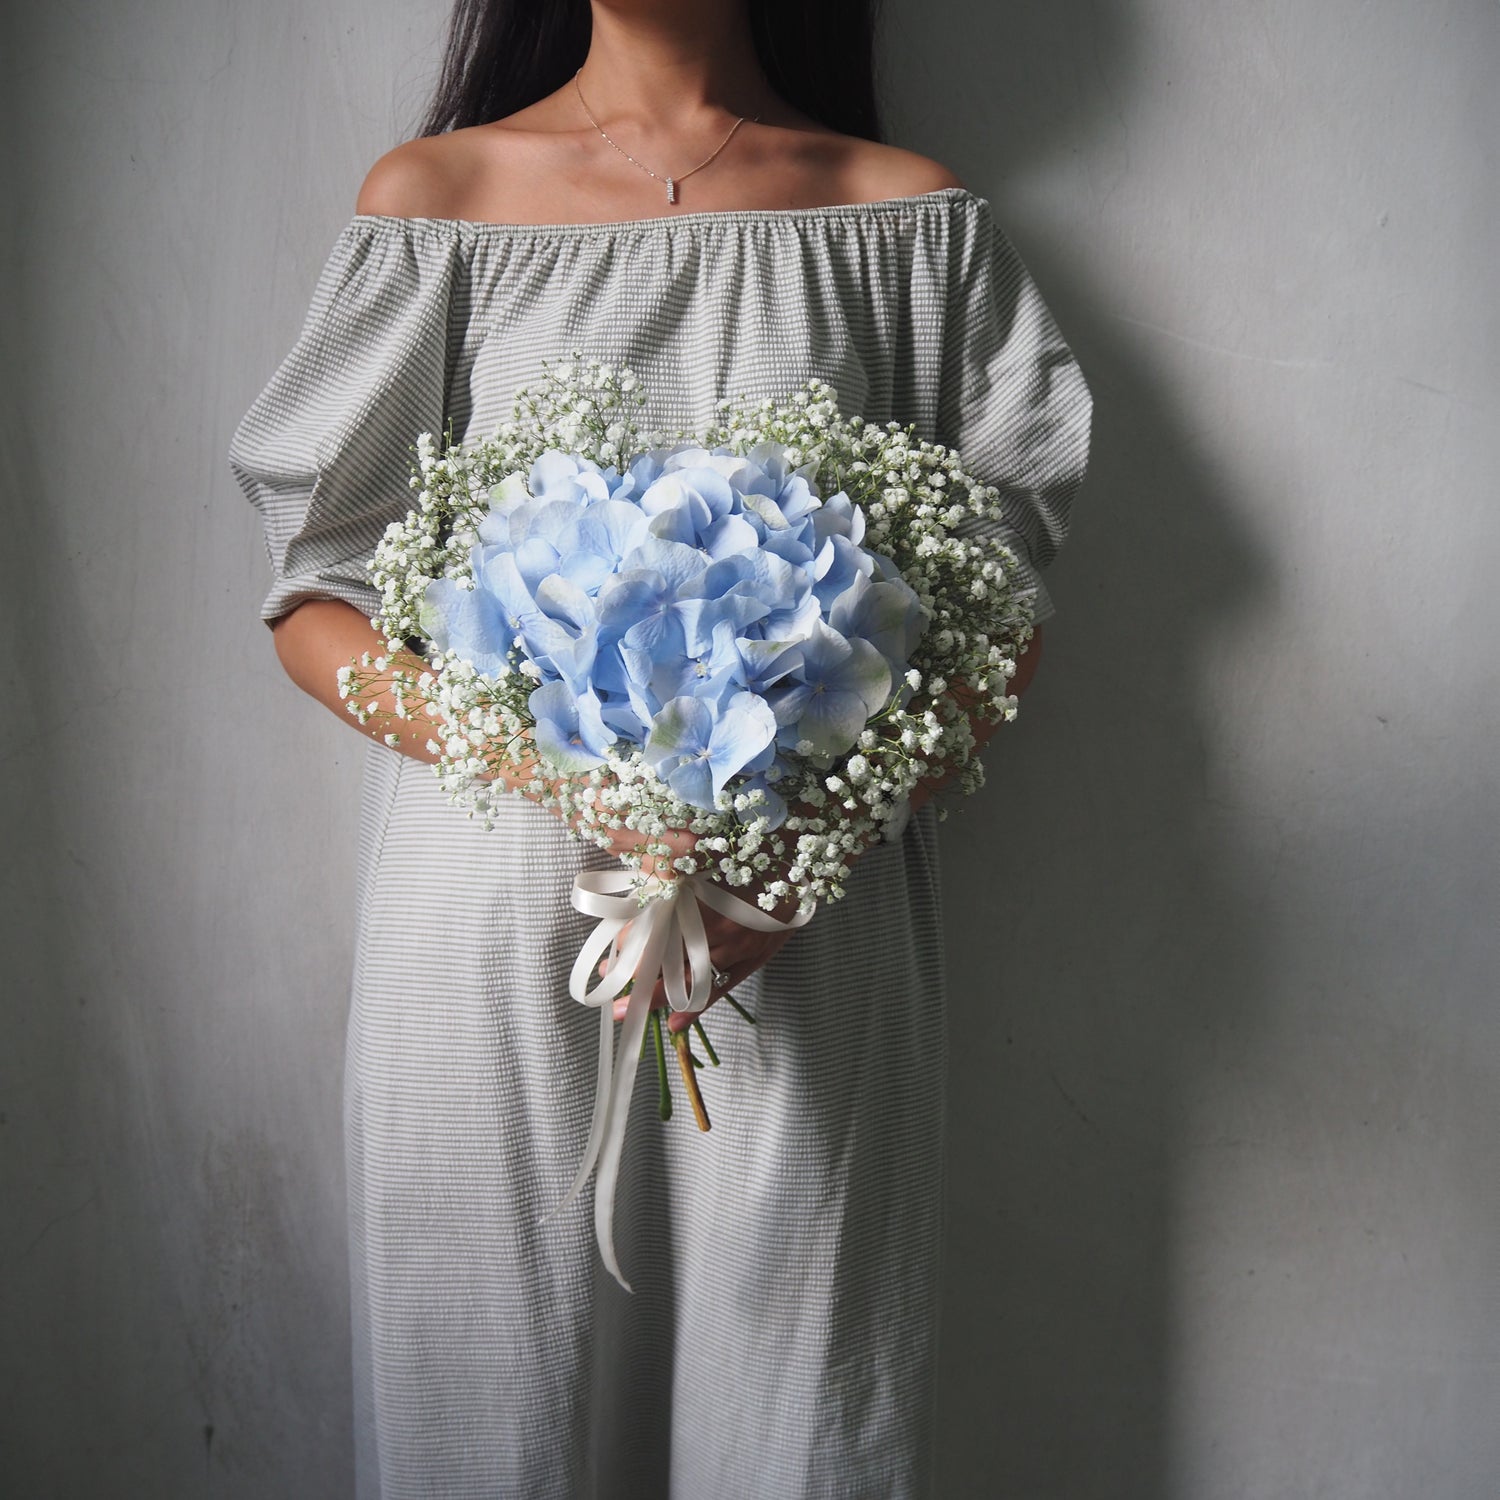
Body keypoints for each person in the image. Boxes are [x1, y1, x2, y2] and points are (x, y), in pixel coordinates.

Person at [230, 1, 1091, 1494]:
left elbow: (997, 606)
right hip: (497, 895)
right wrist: (543, 761)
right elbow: (316, 589)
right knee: (476, 1387)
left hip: (804, 909)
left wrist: (786, 862)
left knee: (807, 1405)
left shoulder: (904, 217)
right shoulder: (441, 202)